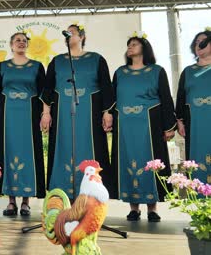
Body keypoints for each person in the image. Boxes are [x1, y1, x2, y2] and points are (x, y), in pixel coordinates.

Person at [45, 23, 115, 201]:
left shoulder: (97, 59)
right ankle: (61, 196)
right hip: (62, 117)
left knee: (91, 149)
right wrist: (46, 113)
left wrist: (107, 112)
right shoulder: (57, 61)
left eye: (72, 32)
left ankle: (92, 196)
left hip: (89, 117)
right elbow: (47, 90)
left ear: (82, 37)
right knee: (63, 149)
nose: (68, 35)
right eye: (66, 33)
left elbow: (106, 88)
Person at [111, 31, 176, 222]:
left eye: (134, 44)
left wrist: (169, 126)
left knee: (150, 160)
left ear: (144, 49)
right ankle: (134, 208)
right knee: (129, 160)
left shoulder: (156, 71)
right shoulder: (120, 72)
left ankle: (152, 208)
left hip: (150, 125)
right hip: (125, 126)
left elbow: (165, 98)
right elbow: (113, 98)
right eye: (128, 45)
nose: (130, 47)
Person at [0, 32, 50, 216]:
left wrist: (45, 114)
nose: (21, 43)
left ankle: (25, 202)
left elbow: (44, 93)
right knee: (7, 153)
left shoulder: (37, 66)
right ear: (11, 44)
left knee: (28, 153)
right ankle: (10, 201)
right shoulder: (2, 66)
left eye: (24, 41)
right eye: (18, 40)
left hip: (29, 116)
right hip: (8, 116)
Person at [176, 28, 211, 186]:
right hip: (194, 122)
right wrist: (180, 121)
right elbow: (181, 97)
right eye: (196, 42)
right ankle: (199, 193)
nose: (199, 45)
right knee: (196, 155)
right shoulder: (188, 72)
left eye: (203, 42)